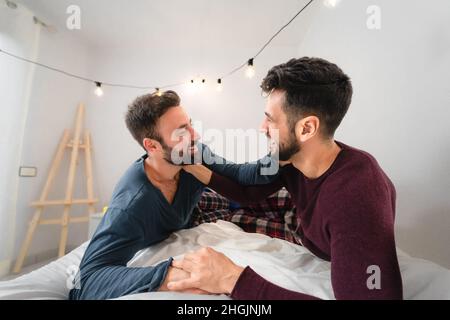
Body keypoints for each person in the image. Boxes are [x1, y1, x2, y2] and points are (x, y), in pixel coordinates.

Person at [168, 57, 403, 300]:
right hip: (308, 233)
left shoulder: (355, 197)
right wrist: (201, 172)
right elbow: (248, 193)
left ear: (306, 128)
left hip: (321, 234)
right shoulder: (292, 159)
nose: (262, 128)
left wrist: (233, 279)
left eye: (270, 119)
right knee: (223, 209)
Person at [69, 91, 275, 300]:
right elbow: (83, 283)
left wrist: (282, 154)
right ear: (152, 145)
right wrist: (167, 276)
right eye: (181, 132)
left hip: (201, 206)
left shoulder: (194, 153)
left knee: (273, 200)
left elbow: (240, 175)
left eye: (190, 125)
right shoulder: (133, 205)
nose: (196, 136)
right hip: (193, 215)